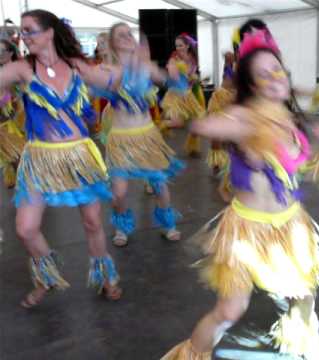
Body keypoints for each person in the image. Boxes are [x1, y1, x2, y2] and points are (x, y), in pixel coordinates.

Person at [161, 29, 319, 360]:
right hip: (247, 231)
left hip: (290, 224)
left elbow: (295, 170)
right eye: (262, 74)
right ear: (252, 86)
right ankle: (192, 354)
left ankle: (298, 338)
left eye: (277, 70)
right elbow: (208, 126)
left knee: (304, 295)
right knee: (230, 310)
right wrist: (205, 122)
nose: (272, 78)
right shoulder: (245, 117)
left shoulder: (291, 120)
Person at [0, 9, 123, 307]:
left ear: (49, 32)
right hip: (40, 158)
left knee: (93, 222)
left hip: (79, 155)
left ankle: (106, 274)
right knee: (25, 228)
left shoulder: (76, 65)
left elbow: (112, 81)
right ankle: (47, 276)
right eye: (22, 32)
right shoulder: (21, 68)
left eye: (29, 30)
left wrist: (125, 59)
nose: (24, 36)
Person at [95, 22, 184, 246]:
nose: (126, 37)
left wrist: (175, 76)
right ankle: (122, 227)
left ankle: (168, 224)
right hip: (121, 138)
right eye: (120, 35)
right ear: (113, 43)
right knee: (119, 193)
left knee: (159, 184)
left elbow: (173, 84)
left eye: (129, 34)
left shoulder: (146, 67)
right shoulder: (106, 70)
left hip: (147, 136)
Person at [162, 33, 205, 157]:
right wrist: (176, 70)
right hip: (175, 95)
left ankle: (193, 148)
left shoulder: (192, 58)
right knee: (178, 123)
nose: (178, 48)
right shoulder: (174, 58)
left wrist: (194, 79)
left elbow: (191, 79)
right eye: (176, 46)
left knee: (198, 122)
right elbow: (172, 75)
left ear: (187, 46)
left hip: (188, 95)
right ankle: (158, 127)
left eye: (180, 45)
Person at [206, 51, 236, 178]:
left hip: (234, 101)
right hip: (219, 99)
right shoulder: (230, 63)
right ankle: (216, 163)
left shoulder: (245, 64)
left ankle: (231, 164)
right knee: (216, 136)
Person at [0, 39, 25, 189]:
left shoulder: (18, 71)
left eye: (2, 51)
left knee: (20, 157)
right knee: (15, 157)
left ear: (10, 52)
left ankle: (29, 189)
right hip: (5, 124)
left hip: (20, 120)